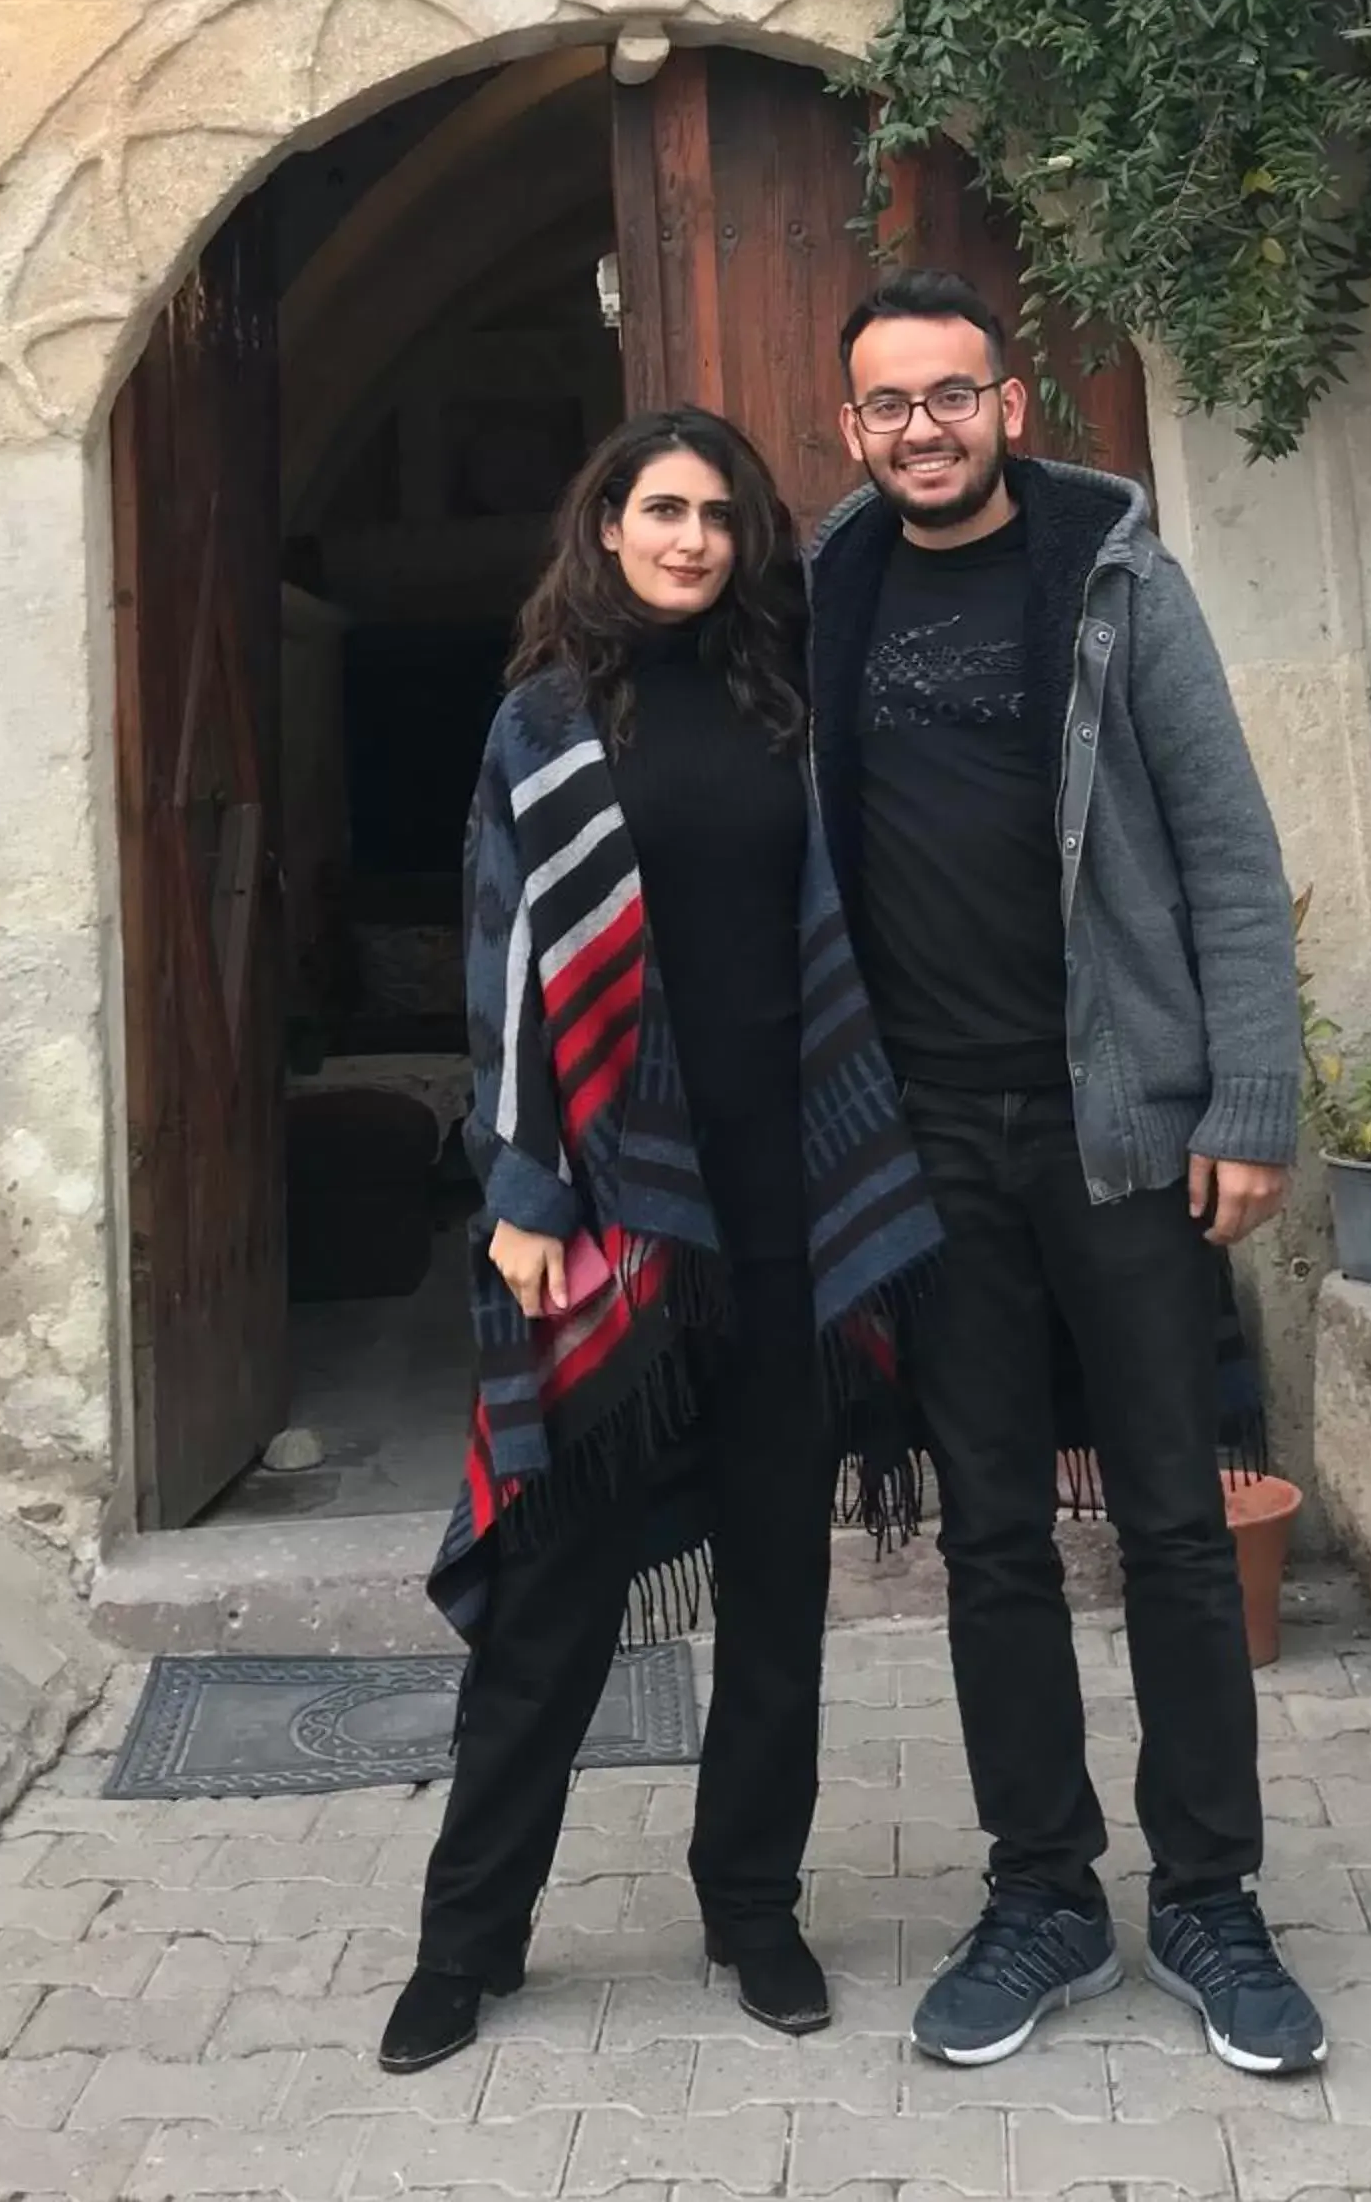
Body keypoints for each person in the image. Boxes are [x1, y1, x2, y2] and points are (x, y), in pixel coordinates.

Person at [379, 406, 941, 2078]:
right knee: (556, 1594)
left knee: (779, 1590)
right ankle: (465, 1943)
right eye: (663, 510)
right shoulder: (543, 725)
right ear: (606, 526)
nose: (693, 538)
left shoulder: (790, 710)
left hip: (783, 1210)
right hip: (615, 1218)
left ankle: (752, 1911)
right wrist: (523, 1193)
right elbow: (506, 970)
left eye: (719, 516)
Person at [808, 269, 1326, 2081]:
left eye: (951, 398)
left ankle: (1209, 1896)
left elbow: (1228, 851)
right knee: (993, 1536)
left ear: (1007, 406)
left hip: (1116, 1130)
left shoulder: (1112, 574)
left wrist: (1247, 1100)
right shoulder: (824, 594)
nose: (922, 431)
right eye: (888, 406)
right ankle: (1040, 1891)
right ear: (848, 427)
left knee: (1177, 1526)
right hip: (929, 1141)